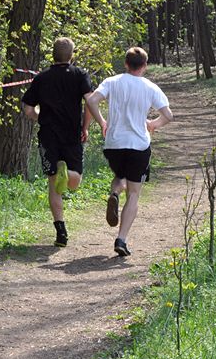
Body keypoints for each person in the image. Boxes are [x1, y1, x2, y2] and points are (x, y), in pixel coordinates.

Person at [85, 47, 173, 256]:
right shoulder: (150, 87)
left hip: (114, 143)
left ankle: (114, 193)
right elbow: (168, 115)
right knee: (134, 193)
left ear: (126, 63)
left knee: (120, 178)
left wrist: (101, 122)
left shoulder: (112, 82)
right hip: (139, 145)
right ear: (144, 65)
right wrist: (153, 124)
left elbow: (91, 100)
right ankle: (121, 239)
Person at [21, 37, 94, 247]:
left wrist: (40, 117)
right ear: (72, 55)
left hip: (48, 135)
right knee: (75, 181)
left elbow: (27, 108)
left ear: (52, 54)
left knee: (53, 183)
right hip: (72, 134)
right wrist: (85, 127)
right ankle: (68, 173)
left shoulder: (42, 78)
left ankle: (61, 232)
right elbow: (90, 101)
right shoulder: (80, 74)